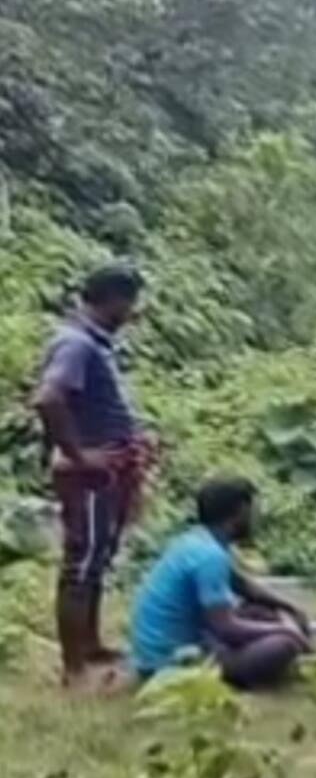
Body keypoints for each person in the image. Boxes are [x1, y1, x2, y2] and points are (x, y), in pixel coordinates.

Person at [33, 263, 151, 684]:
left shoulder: (93, 344)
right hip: (89, 476)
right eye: (130, 303)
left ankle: (91, 646)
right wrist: (79, 454)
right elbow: (49, 399)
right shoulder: (76, 344)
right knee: (81, 564)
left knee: (96, 559)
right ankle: (73, 667)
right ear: (114, 299)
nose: (133, 312)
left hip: (108, 471)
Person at [129, 478, 313, 691]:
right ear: (241, 512)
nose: (256, 518)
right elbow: (226, 627)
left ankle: (254, 651)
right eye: (253, 510)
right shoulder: (209, 556)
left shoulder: (197, 540)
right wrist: (286, 630)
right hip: (173, 661)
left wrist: (288, 607)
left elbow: (242, 585)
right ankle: (236, 673)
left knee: (265, 612)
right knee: (284, 645)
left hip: (175, 644)